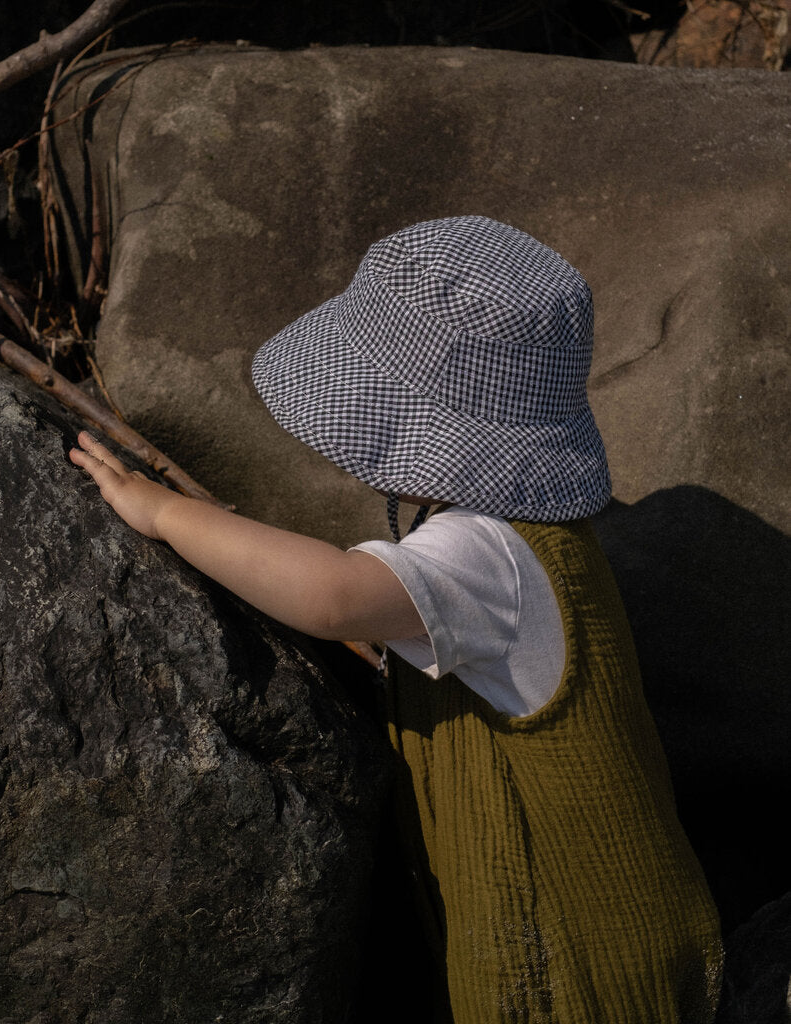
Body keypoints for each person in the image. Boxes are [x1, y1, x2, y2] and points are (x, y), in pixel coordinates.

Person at [69, 215, 723, 1023]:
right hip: (606, 924)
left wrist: (164, 514)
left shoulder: (486, 557)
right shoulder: (537, 534)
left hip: (581, 959)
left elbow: (331, 596)